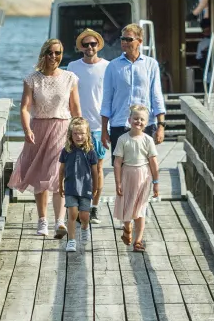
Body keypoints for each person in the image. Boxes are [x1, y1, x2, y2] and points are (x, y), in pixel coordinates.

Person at [8, 38, 81, 238]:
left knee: (57, 173)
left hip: (62, 128)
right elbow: (24, 108)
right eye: (50, 53)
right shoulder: (32, 79)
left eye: (57, 53)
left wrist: (80, 134)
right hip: (38, 128)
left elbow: (75, 109)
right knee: (41, 175)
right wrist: (26, 129)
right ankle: (42, 220)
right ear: (44, 54)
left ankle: (59, 221)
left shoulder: (70, 78)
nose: (54, 57)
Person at [65, 28, 110, 223]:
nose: (89, 47)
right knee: (75, 169)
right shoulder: (72, 66)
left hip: (99, 126)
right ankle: (77, 207)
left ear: (98, 45)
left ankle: (94, 207)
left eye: (93, 44)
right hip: (78, 126)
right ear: (81, 47)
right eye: (86, 44)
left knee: (97, 169)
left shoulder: (108, 66)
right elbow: (66, 96)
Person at [100, 23, 166, 154]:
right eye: (122, 39)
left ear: (139, 41)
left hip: (145, 124)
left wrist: (161, 126)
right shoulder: (112, 66)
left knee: (145, 168)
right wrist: (103, 130)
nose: (124, 42)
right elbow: (107, 99)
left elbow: (156, 96)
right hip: (119, 123)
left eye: (128, 39)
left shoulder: (151, 64)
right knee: (120, 168)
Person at [113, 104, 159, 251]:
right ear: (129, 119)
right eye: (136, 118)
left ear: (146, 123)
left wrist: (156, 182)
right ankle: (127, 228)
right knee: (127, 207)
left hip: (143, 176)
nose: (138, 122)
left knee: (140, 209)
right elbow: (117, 162)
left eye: (142, 119)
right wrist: (118, 181)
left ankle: (138, 240)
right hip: (127, 175)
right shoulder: (123, 139)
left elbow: (153, 162)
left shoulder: (148, 140)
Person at [58, 118, 101, 253]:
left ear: (87, 134)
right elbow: (61, 170)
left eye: (82, 133)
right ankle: (71, 241)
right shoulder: (66, 151)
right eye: (75, 133)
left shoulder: (91, 152)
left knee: (84, 216)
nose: (79, 136)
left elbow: (95, 172)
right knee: (72, 214)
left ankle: (84, 228)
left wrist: (95, 187)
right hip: (70, 187)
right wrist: (60, 185)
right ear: (71, 135)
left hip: (86, 188)